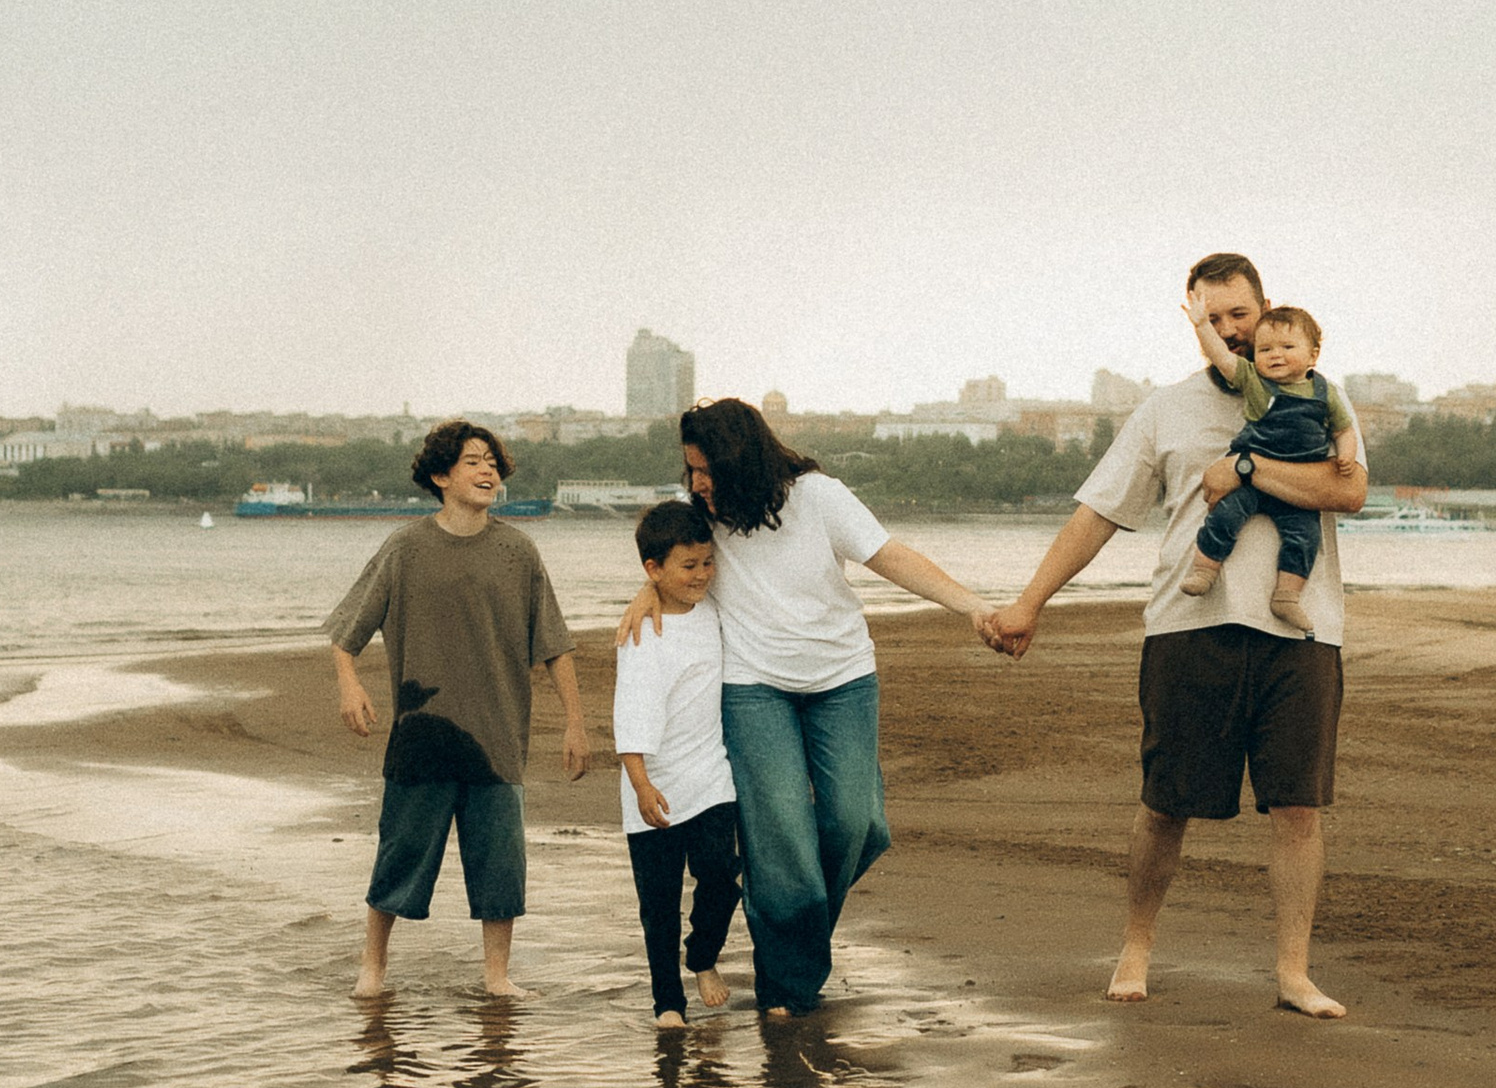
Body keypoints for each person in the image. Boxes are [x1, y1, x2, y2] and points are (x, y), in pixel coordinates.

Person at [986, 252, 1367, 1016]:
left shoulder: (1323, 396)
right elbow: (1099, 513)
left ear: (1269, 312)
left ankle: (1293, 973)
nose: (1231, 332)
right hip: (1191, 626)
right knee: (1166, 803)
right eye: (1213, 319)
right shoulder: (1166, 409)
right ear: (1193, 321)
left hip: (1301, 630)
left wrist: (1252, 467)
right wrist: (1031, 602)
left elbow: (1347, 488)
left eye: (1241, 316)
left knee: (1299, 808)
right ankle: (1136, 946)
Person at [619, 398, 1009, 1018]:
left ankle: (782, 915)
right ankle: (788, 984)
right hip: (753, 687)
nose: (696, 484)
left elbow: (891, 556)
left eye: (706, 470)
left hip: (843, 678)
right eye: (690, 470)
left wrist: (972, 607)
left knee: (859, 824)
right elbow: (672, 559)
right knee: (782, 843)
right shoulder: (707, 515)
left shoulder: (819, 498)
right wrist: (646, 590)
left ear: (740, 461)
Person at [328, 418, 589, 1000]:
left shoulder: (518, 551)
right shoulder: (405, 548)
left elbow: (554, 643)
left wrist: (575, 722)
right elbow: (346, 633)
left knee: (501, 866)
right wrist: (350, 684)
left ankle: (497, 977)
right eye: (473, 461)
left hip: (497, 741)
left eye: (492, 460)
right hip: (422, 736)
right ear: (441, 476)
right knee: (399, 856)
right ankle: (372, 967)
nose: (487, 469)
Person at [612, 497, 744, 1029]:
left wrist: (656, 587)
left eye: (707, 563)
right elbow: (629, 719)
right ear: (654, 569)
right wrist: (641, 786)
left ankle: (703, 956)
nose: (702, 575)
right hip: (652, 785)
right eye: (688, 567)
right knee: (658, 906)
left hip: (711, 776)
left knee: (722, 876)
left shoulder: (713, 608)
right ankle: (668, 1002)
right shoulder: (644, 635)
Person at [1177, 290, 1355, 624]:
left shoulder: (1326, 392)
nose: (1275, 356)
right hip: (1251, 483)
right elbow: (1223, 358)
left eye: (1288, 348)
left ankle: (1287, 596)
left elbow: (1343, 430)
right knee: (1225, 515)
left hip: (1296, 487)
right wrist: (1202, 325)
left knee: (1305, 538)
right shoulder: (1255, 382)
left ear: (1313, 355)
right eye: (1265, 349)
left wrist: (1347, 456)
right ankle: (1204, 569)